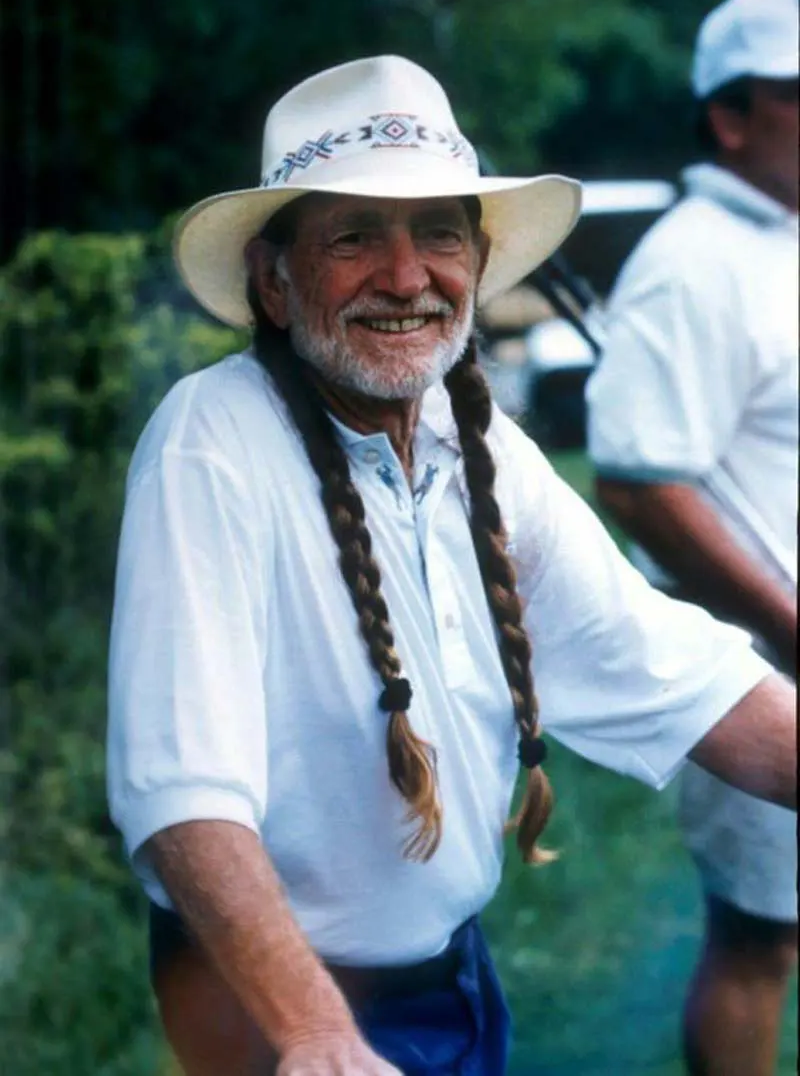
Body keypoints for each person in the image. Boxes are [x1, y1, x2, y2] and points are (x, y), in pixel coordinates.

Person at [107, 54, 796, 1076]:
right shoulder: (209, 440)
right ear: (273, 279)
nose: (404, 278)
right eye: (353, 237)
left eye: (437, 233)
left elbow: (678, 670)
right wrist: (317, 1034)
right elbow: (181, 793)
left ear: (475, 259)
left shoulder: (472, 443)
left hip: (448, 980)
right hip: (269, 1006)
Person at [586, 0, 798, 1076]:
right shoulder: (691, 263)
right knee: (760, 939)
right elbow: (638, 483)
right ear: (730, 116)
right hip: (763, 665)